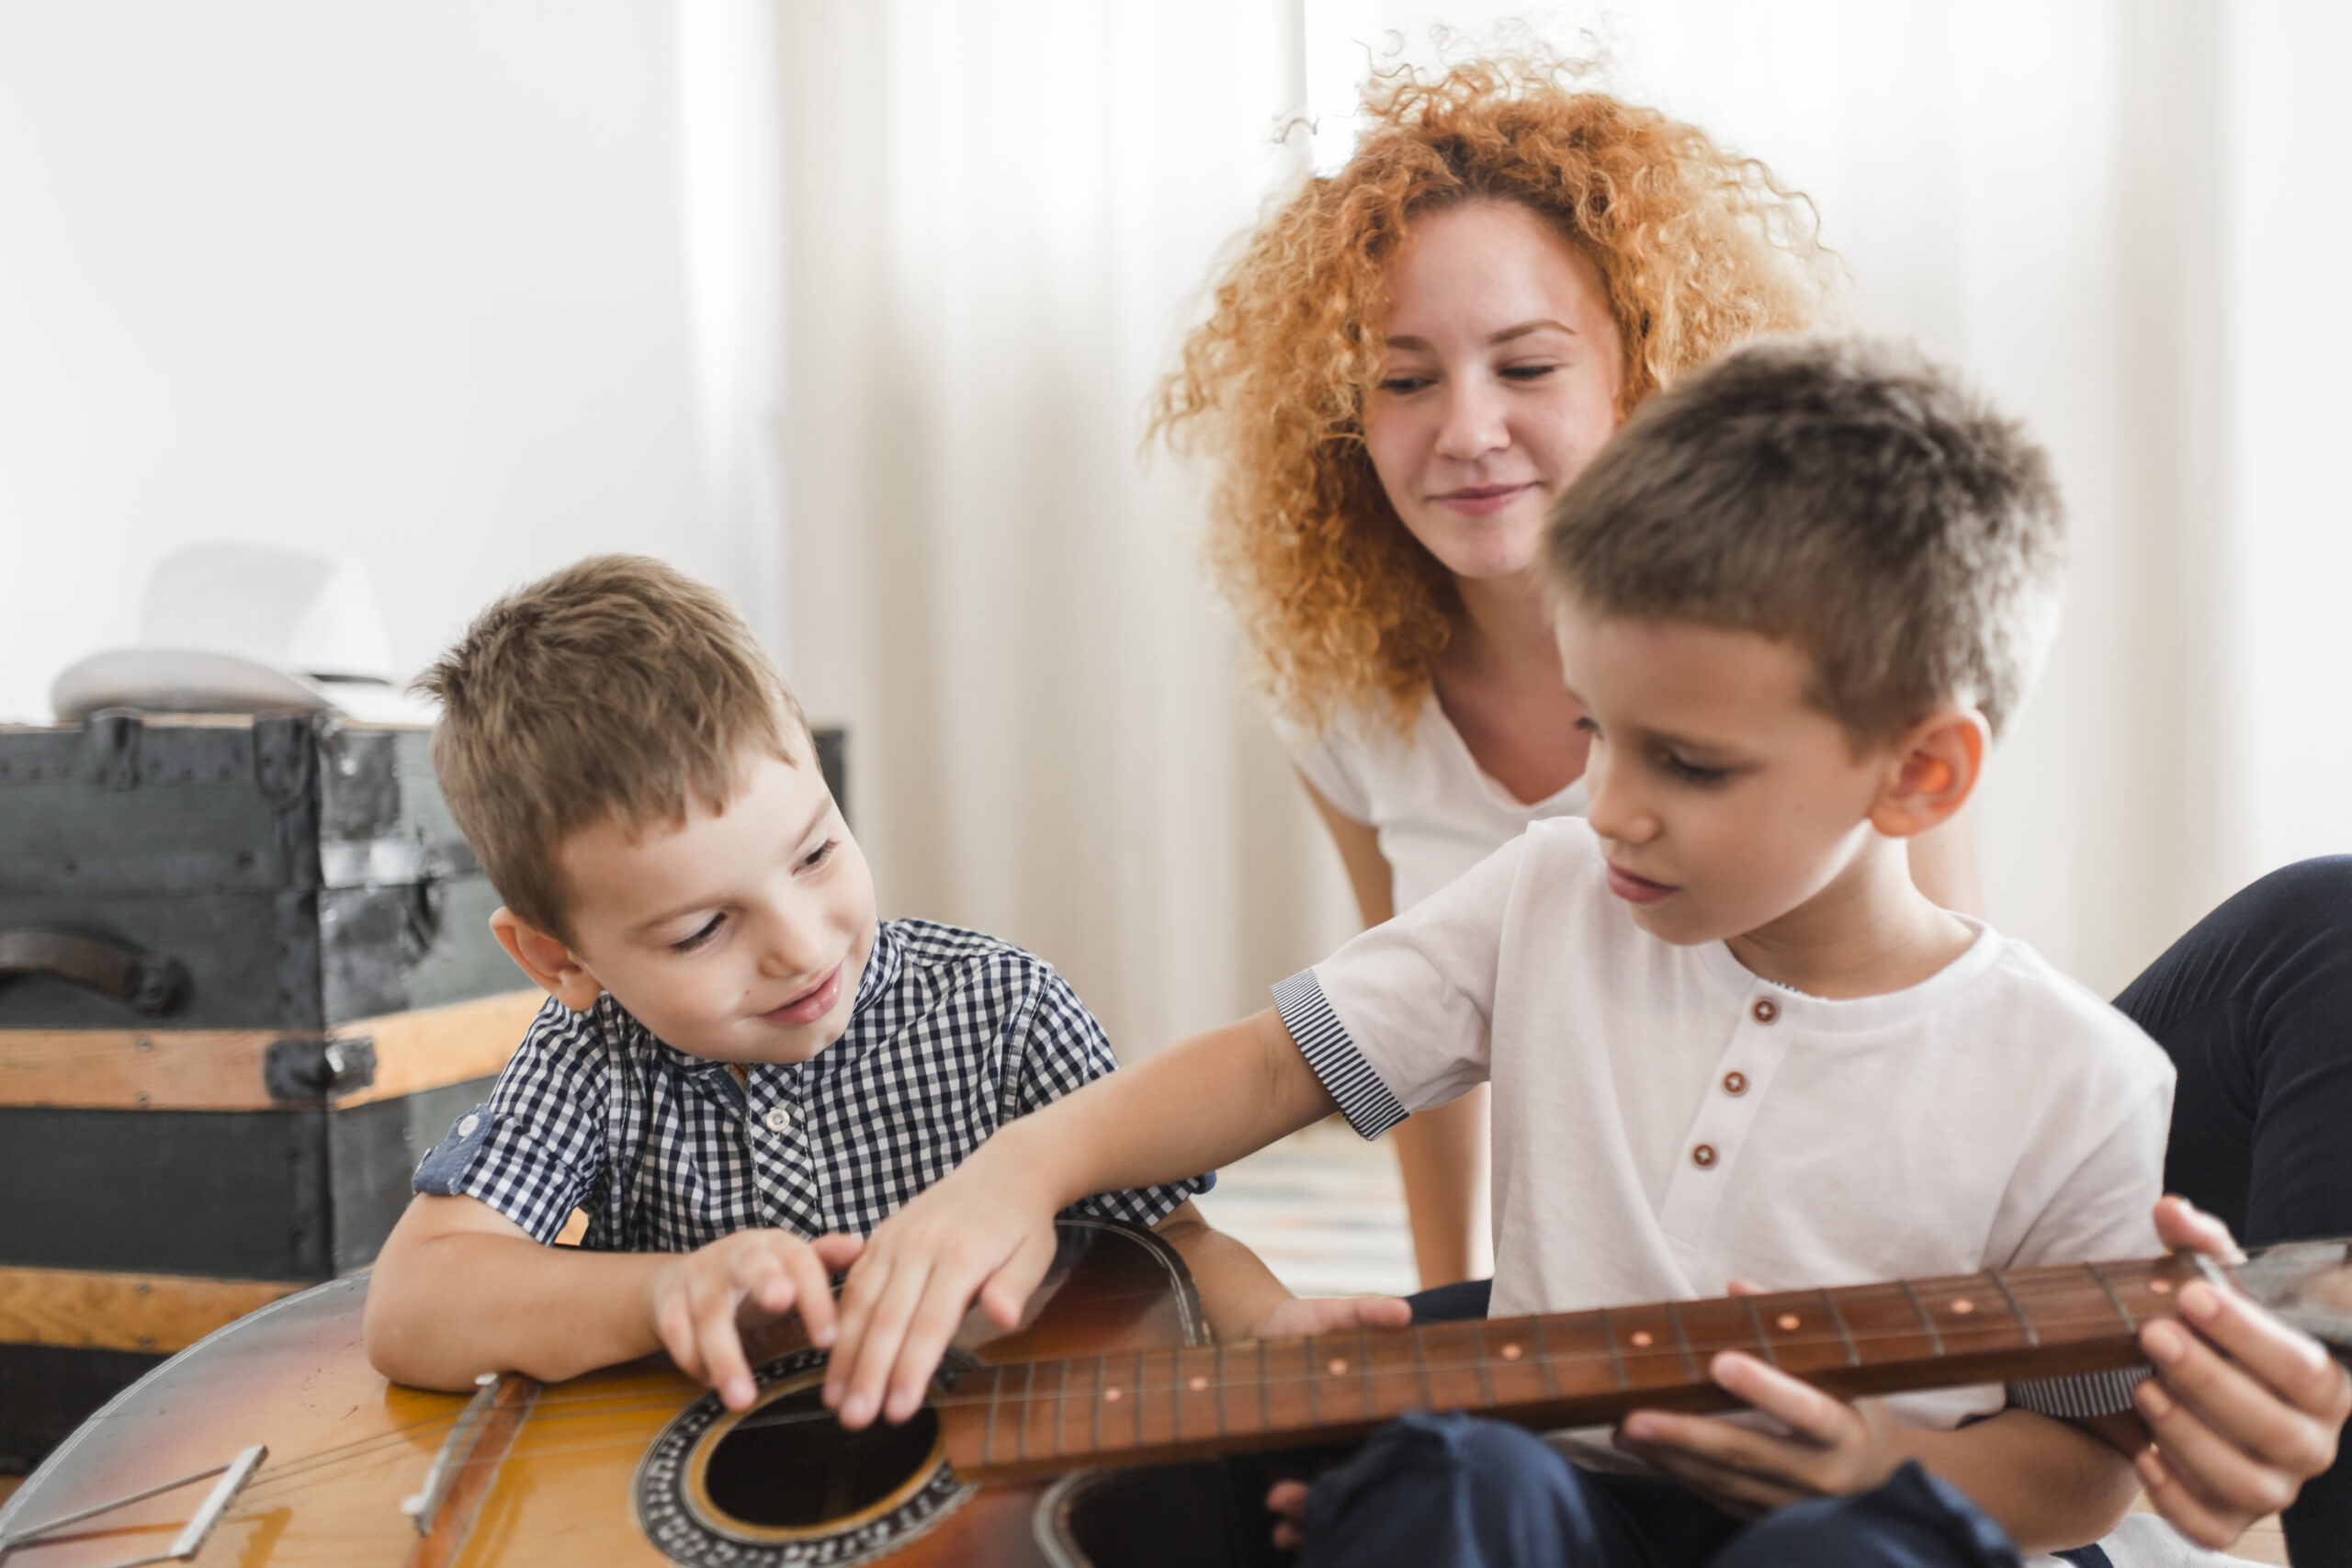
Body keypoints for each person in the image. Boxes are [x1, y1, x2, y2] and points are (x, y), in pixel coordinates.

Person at [820, 338, 2181, 1562]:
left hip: (1841, 1521)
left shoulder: (2079, 1080)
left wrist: (1880, 1461)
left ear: (1921, 773)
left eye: (1689, 763)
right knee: (1448, 1478)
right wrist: (1018, 1167)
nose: (1610, 806)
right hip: (1557, 1495)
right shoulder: (1553, 889)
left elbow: (2087, 1467)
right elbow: (1269, 1064)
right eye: (1597, 730)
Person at [1153, 53, 1979, 1294]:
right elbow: (1404, 1028)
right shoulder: (1337, 702)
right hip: (1590, 1277)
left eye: (1528, 368)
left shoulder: (1835, 632)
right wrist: (1453, 1301)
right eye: (1403, 380)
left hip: (1845, 1250)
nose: (1467, 431)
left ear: (1643, 375)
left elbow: (1947, 1002)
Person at [361, 556, 1404, 1404]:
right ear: (561, 961)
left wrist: (1266, 1324)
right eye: (702, 930)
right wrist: (663, 1293)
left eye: (815, 855)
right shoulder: (592, 1059)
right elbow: (413, 1305)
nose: (801, 946)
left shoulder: (1003, 1013)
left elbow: (1170, 1243)